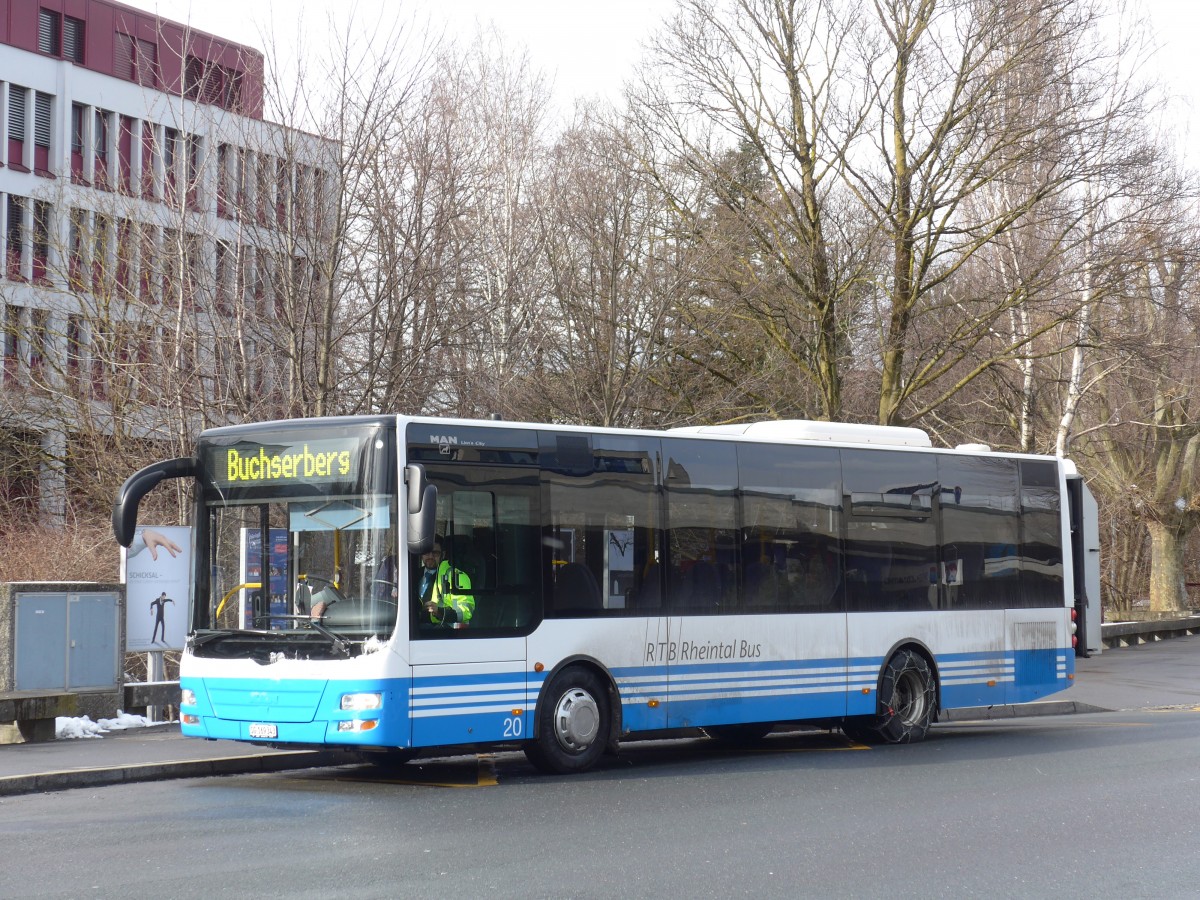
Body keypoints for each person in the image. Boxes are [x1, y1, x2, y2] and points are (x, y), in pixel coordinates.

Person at [417, 538, 474, 626]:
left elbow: (466, 611)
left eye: (435, 553)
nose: (430, 556)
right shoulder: (412, 575)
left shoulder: (456, 576)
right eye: (427, 552)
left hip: (441, 632)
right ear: (421, 555)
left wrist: (440, 612)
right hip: (412, 628)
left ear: (443, 554)